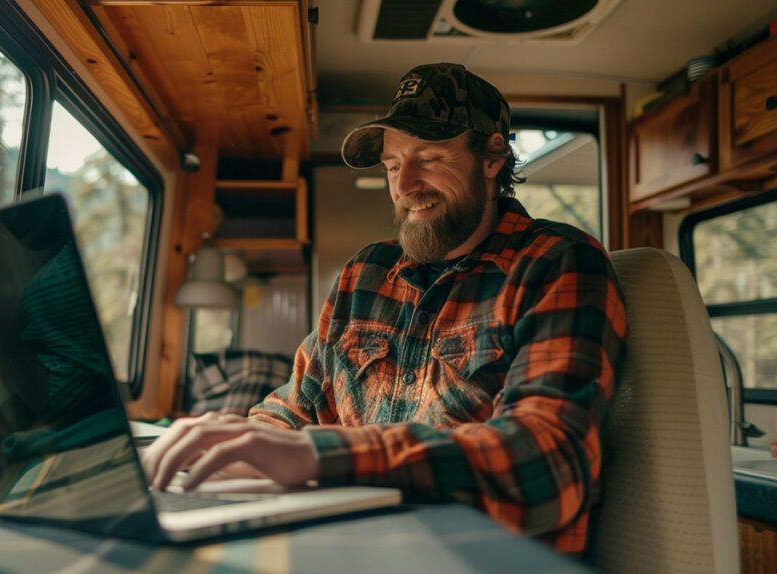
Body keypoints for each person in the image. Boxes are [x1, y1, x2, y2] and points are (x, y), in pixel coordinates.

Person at [142, 63, 628, 555]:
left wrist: (319, 455)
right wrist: (232, 445)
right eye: (393, 165)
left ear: (493, 156)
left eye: (429, 157)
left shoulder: (556, 262)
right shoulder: (365, 274)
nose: (405, 184)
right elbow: (296, 409)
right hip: (354, 547)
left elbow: (550, 464)